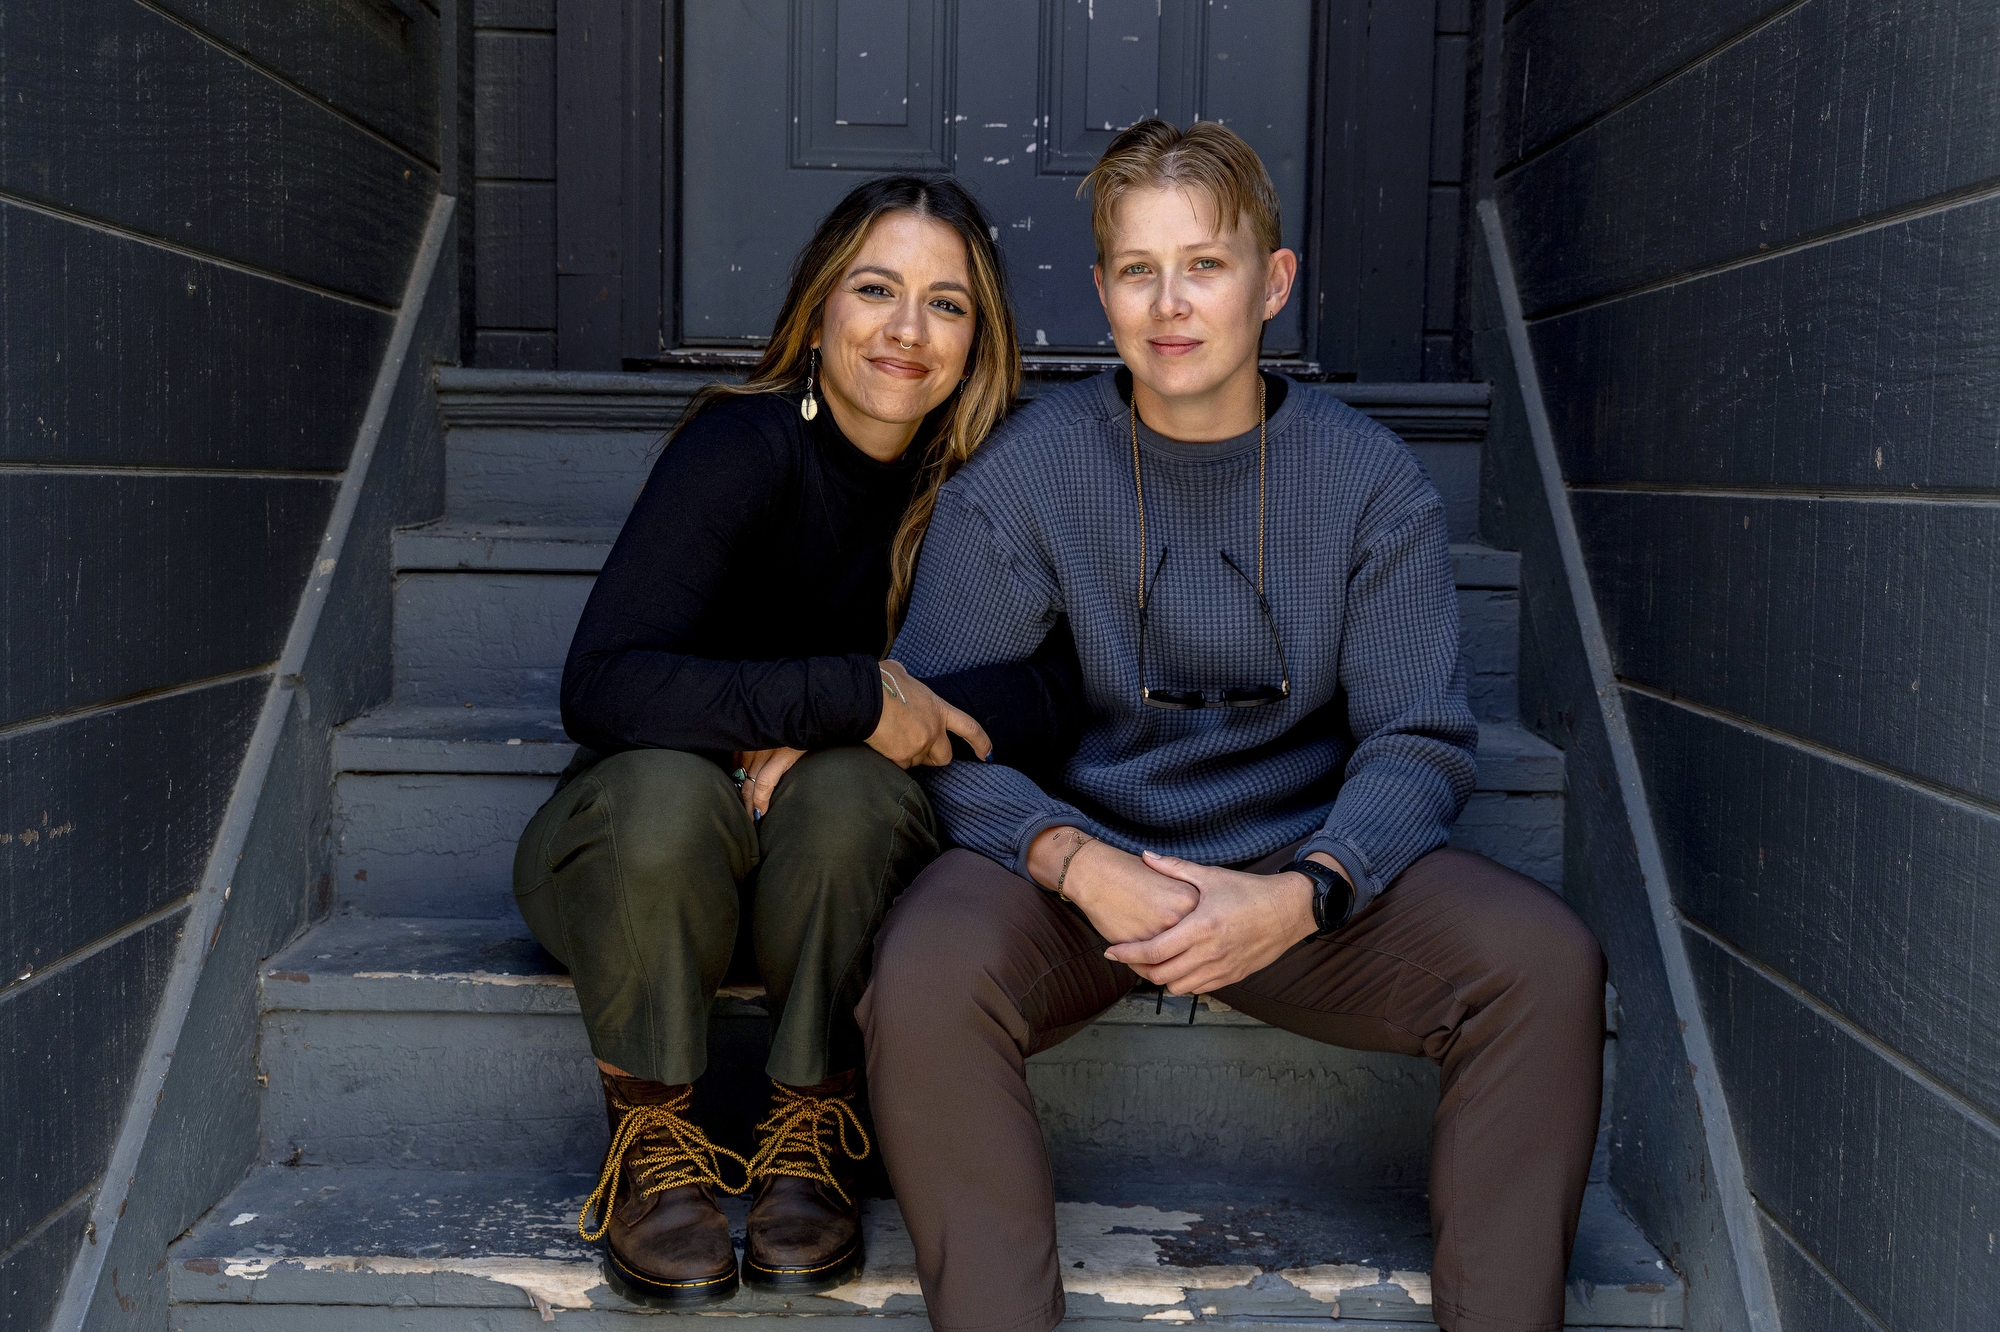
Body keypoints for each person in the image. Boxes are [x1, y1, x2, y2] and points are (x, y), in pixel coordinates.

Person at [863, 121, 1607, 1332]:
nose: (1169, 305)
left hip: (1294, 871)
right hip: (1078, 879)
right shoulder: (1025, 477)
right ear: (1101, 291)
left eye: (1203, 265)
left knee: (1542, 964)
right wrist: (1071, 860)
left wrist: (1309, 890)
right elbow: (929, 730)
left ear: (1271, 283)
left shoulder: (1367, 483)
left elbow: (1417, 741)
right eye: (1137, 270)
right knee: (924, 970)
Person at [512, 175, 1081, 1309]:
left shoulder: (996, 480)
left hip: (835, 868)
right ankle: (651, 1139)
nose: (906, 329)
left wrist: (877, 727)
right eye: (875, 290)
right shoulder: (744, 444)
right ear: (818, 309)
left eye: (946, 304)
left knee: (851, 795)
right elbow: (603, 684)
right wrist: (843, 699)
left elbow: (1063, 694)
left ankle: (811, 1128)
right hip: (645, 862)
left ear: (980, 341)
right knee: (667, 795)